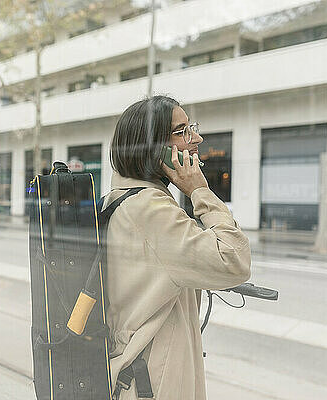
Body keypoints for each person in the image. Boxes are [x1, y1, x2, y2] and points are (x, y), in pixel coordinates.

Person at [103, 95, 251, 400]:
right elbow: (233, 260)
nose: (196, 138)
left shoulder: (124, 198)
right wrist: (200, 190)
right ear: (153, 146)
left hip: (142, 376)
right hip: (154, 383)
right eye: (182, 131)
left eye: (192, 128)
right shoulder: (148, 208)